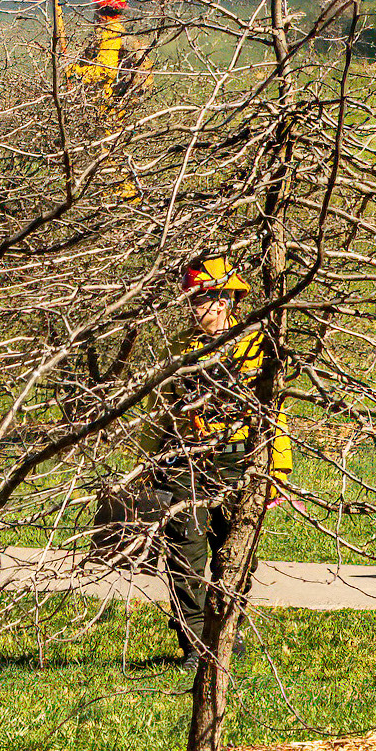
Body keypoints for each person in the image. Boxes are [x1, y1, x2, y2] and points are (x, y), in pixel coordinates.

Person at [143, 255, 292, 660]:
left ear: (227, 300)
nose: (194, 307)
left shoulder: (259, 345)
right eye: (191, 299)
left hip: (238, 458)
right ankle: (194, 644)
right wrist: (144, 464)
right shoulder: (179, 348)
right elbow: (158, 410)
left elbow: (272, 409)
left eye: (203, 298)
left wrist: (274, 469)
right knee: (183, 553)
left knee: (237, 550)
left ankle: (227, 634)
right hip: (183, 459)